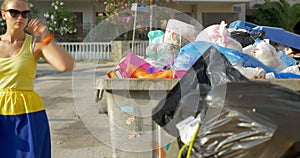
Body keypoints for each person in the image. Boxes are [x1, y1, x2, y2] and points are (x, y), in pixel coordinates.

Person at [0, 0, 74, 157]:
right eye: (14, 12)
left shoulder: (35, 45)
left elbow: (65, 65)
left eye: (25, 14)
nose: (20, 17)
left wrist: (45, 36)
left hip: (27, 113)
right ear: (3, 15)